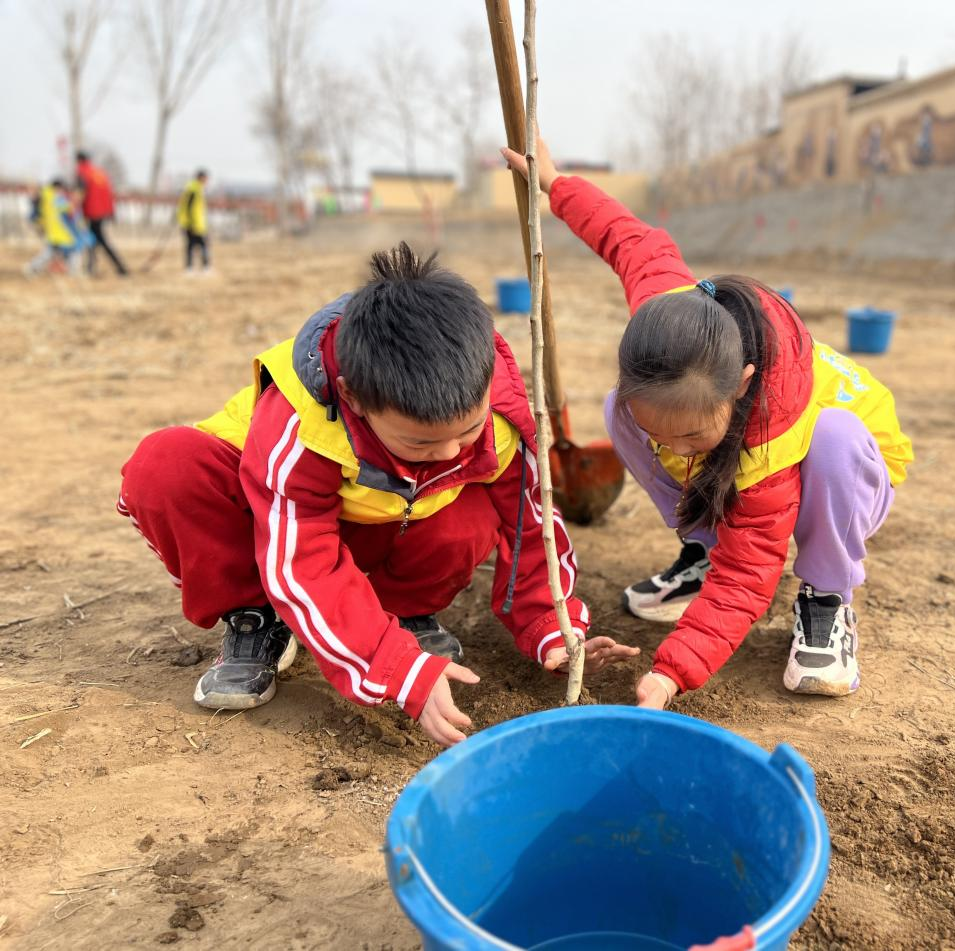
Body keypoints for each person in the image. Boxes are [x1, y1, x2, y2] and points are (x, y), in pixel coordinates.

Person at [117, 244, 638, 745]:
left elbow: (531, 532)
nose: (450, 452)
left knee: (474, 512)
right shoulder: (300, 425)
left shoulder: (502, 414)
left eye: (467, 430)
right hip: (277, 529)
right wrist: (395, 668)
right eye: (420, 441)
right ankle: (258, 618)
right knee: (165, 468)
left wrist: (554, 629)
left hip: (394, 527)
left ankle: (402, 615)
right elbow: (302, 560)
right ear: (354, 399)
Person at [502, 136, 913, 709]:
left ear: (740, 385)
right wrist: (555, 183)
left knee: (833, 442)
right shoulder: (670, 313)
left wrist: (671, 671)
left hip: (851, 472)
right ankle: (703, 549)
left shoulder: (768, 439)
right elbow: (626, 236)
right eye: (662, 438)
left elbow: (749, 575)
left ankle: (826, 597)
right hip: (741, 440)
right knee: (615, 409)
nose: (673, 452)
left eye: (690, 437)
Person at [75, 151, 128, 276]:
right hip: (103, 212)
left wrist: (75, 209)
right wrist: (111, 211)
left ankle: (120, 268)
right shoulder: (99, 173)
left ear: (78, 161)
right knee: (93, 239)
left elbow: (81, 192)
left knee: (99, 240)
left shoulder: (83, 172)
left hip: (92, 212)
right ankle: (92, 267)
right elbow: (109, 193)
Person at [24, 179, 80, 276]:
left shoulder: (45, 195)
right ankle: (73, 270)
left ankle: (33, 267)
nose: (62, 191)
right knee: (72, 249)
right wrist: (73, 203)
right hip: (59, 231)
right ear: (57, 188)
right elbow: (65, 207)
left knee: (51, 252)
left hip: (53, 231)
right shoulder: (53, 197)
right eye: (61, 189)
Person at [178, 169, 211, 273]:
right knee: (202, 245)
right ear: (201, 178)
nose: (207, 181)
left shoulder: (191, 188)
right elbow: (190, 208)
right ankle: (205, 268)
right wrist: (192, 223)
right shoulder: (195, 189)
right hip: (194, 224)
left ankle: (190, 268)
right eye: (206, 178)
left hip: (191, 223)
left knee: (191, 246)